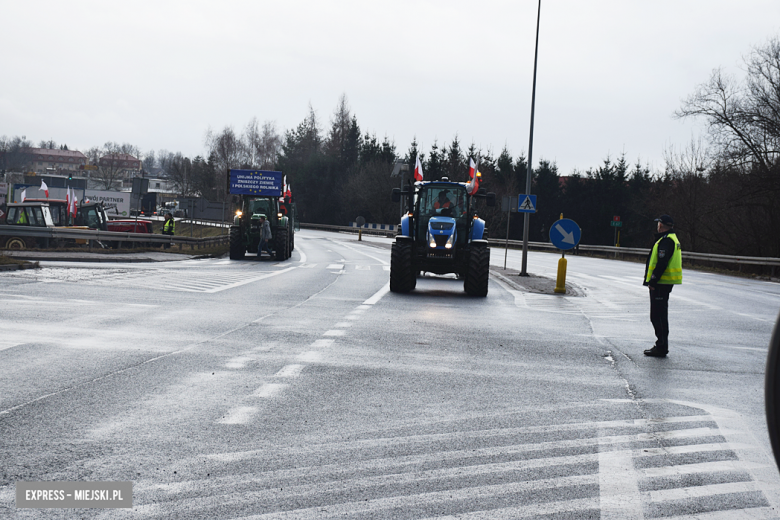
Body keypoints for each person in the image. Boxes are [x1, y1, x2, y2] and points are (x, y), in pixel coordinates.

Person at [643, 214, 682, 357]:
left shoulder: (666, 241)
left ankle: (661, 346)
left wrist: (653, 281)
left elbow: (662, 263)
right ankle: (661, 345)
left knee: (657, 316)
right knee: (660, 315)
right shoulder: (671, 239)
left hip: (661, 284)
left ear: (660, 225)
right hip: (663, 283)